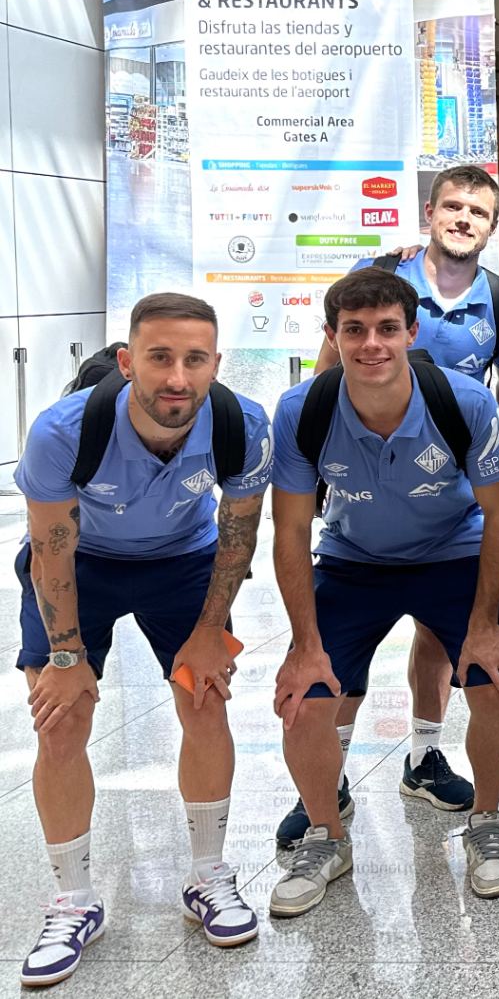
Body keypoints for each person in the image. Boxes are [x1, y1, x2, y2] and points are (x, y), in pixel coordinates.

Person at [13, 294, 271, 985]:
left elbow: (238, 533)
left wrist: (211, 631)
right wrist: (66, 657)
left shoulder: (241, 424)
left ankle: (208, 874)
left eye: (194, 360)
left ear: (217, 365)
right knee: (61, 721)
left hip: (183, 562)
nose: (176, 377)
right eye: (159, 357)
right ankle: (73, 899)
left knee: (204, 698)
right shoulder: (64, 431)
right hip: (80, 565)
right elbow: (50, 549)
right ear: (128, 362)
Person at [277, 165, 499, 849]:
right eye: (452, 206)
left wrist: (496, 460)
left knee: (457, 653)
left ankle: (429, 761)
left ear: (410, 330)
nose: (373, 340)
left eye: (477, 211)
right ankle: (324, 788)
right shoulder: (377, 279)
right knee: (333, 671)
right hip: (359, 525)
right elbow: (291, 520)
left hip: (450, 507)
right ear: (430, 212)